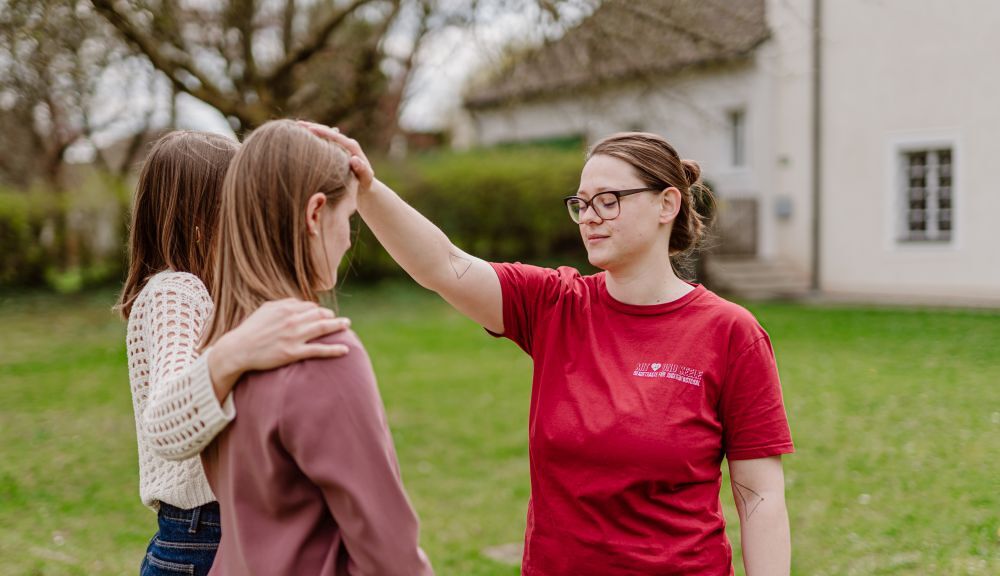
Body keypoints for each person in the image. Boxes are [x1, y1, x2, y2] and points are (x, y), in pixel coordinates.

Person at [308, 124, 794, 576]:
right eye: (581, 203)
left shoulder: (730, 333)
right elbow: (444, 265)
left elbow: (760, 496)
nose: (590, 217)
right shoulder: (554, 304)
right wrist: (367, 189)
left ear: (667, 204)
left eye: (608, 201)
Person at [198, 119, 433, 576]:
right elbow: (390, 553)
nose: (347, 239)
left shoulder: (222, 341)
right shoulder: (320, 351)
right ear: (314, 214)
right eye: (349, 218)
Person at [116, 130, 352, 576]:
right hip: (201, 538)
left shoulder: (214, 296)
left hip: (236, 528)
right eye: (241, 208)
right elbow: (166, 422)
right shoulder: (176, 293)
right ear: (202, 222)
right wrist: (238, 351)